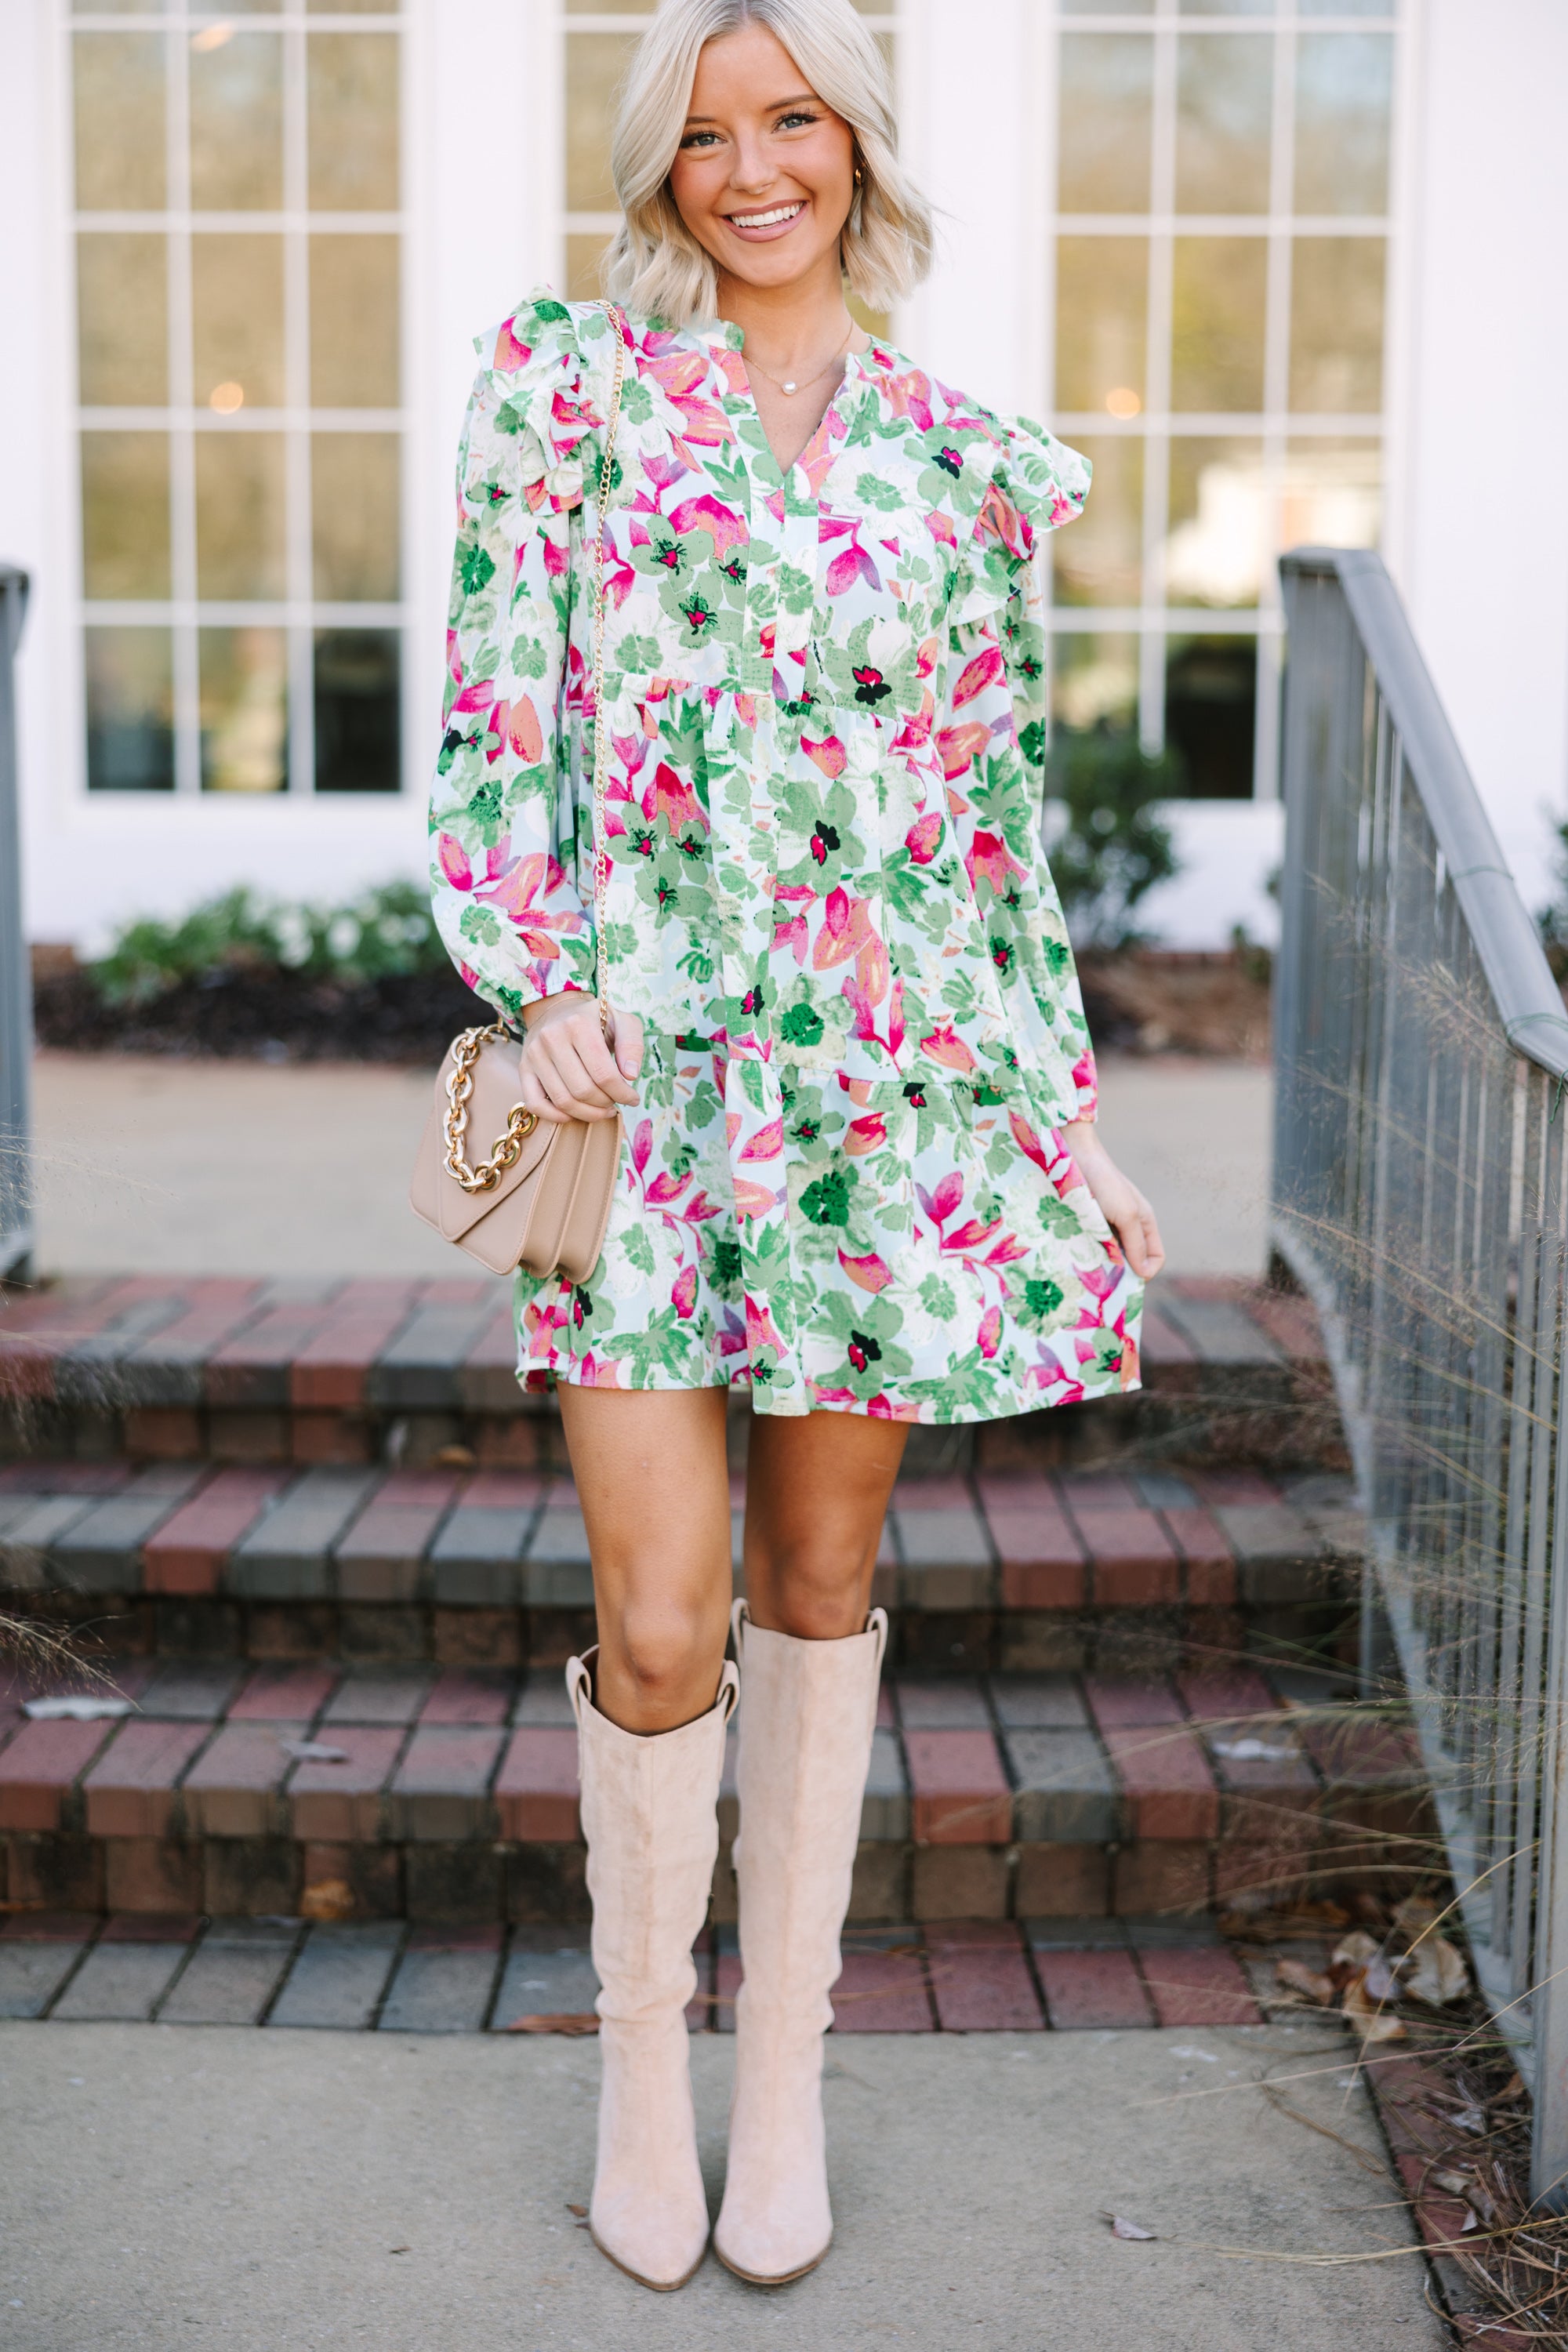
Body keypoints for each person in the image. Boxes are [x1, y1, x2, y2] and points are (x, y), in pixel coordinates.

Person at [429, 0, 1164, 2294]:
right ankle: (643, 2071)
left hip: (885, 1106)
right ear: (664, 166)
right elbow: (495, 718)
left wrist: (1063, 1118)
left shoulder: (963, 465)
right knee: (657, 1625)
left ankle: (782, 2092)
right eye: (710, 133)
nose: (753, 168)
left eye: (796, 122)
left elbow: (987, 834)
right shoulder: (566, 398)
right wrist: (532, 969)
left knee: (813, 1595)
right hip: (636, 1094)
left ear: (855, 143)